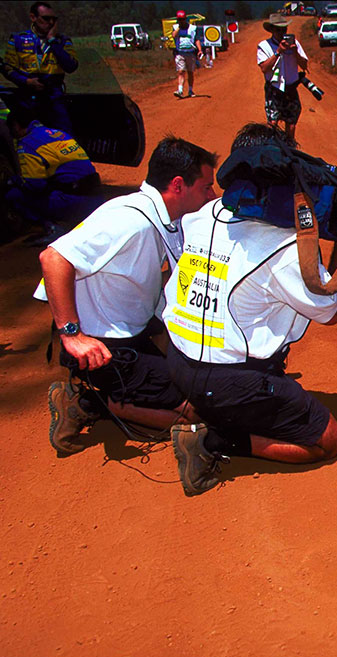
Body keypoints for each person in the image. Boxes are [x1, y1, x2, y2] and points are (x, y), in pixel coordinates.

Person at [161, 123, 337, 497]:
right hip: (228, 379)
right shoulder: (284, 244)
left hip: (178, 360)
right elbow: (329, 310)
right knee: (328, 439)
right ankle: (214, 441)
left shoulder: (200, 215)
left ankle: (207, 409)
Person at [35, 136, 218, 456]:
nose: (212, 195)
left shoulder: (163, 218)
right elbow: (53, 259)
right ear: (178, 185)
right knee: (193, 411)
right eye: (206, 187)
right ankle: (87, 401)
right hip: (103, 347)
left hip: (130, 327)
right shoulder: (129, 219)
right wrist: (73, 335)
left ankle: (104, 391)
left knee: (203, 381)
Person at [5, 106, 102, 242]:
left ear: (16, 126)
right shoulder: (56, 133)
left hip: (73, 202)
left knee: (14, 195)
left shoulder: (27, 143)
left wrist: (14, 180)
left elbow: (35, 185)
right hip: (96, 197)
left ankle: (52, 228)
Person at [1, 1, 78, 134]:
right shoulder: (18, 39)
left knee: (64, 135)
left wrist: (52, 41)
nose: (50, 22)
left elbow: (71, 66)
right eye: (46, 18)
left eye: (54, 19)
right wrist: (27, 82)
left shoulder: (62, 41)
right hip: (27, 97)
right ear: (33, 17)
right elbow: (8, 68)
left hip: (54, 96)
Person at [257, 14, 309, 143]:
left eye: (284, 29)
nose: (281, 33)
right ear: (272, 31)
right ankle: (270, 147)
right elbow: (264, 68)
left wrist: (295, 52)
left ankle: (290, 149)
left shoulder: (294, 44)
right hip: (274, 89)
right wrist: (278, 51)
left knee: (291, 123)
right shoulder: (264, 46)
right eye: (278, 30)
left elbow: (304, 65)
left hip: (291, 88)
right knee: (272, 122)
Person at [171, 11, 203, 99]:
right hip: (180, 53)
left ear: (186, 19)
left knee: (190, 72)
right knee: (181, 71)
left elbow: (196, 40)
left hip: (190, 53)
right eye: (179, 20)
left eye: (182, 19)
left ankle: (190, 90)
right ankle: (180, 90)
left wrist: (200, 50)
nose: (181, 21)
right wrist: (179, 28)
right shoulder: (175, 28)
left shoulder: (193, 28)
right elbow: (173, 35)